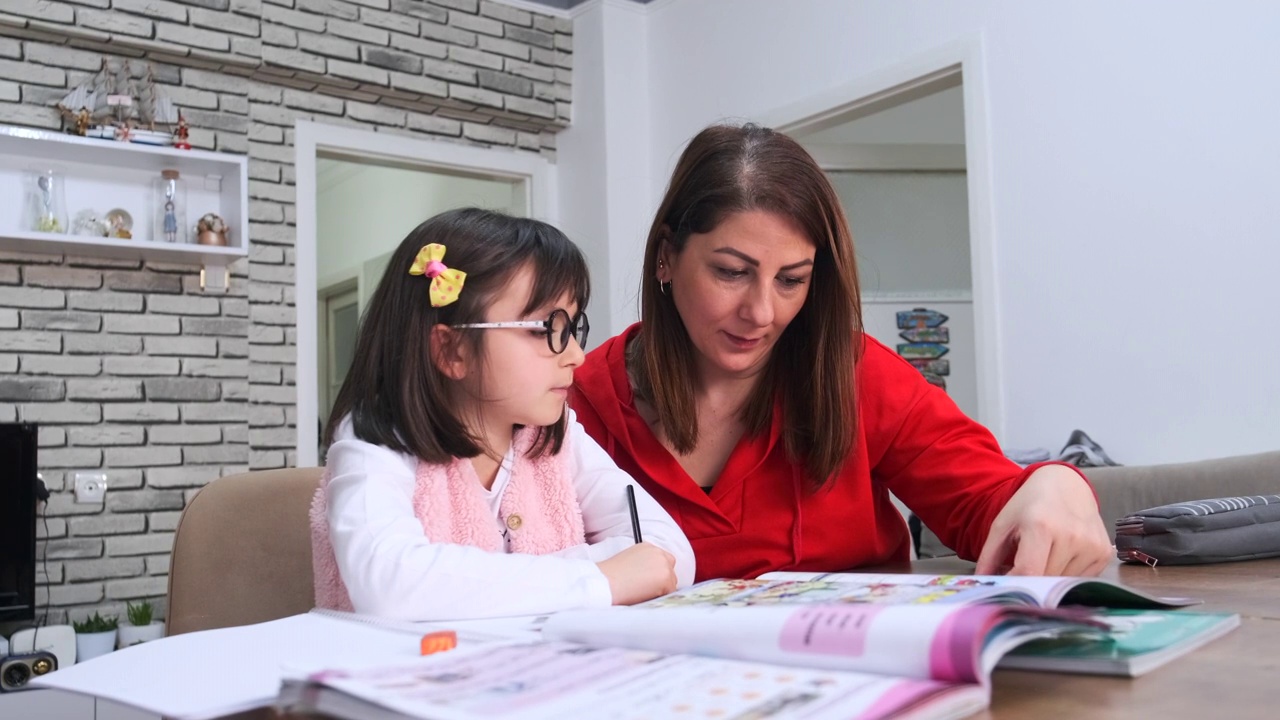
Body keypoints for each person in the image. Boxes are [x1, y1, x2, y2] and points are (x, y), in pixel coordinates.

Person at [570, 123, 1112, 581]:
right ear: (666, 256)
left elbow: (989, 499)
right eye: (731, 272)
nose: (762, 312)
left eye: (791, 279)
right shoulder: (573, 403)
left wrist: (1055, 484)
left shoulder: (855, 373)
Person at [311, 208, 695, 621]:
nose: (576, 356)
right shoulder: (376, 438)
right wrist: (600, 578)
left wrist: (509, 584)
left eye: (572, 327)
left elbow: (668, 554)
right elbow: (387, 583)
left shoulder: (554, 435)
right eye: (547, 327)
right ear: (452, 350)